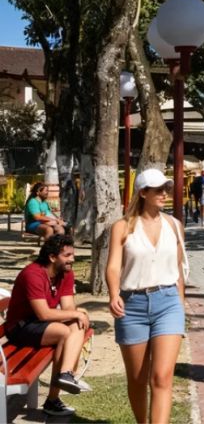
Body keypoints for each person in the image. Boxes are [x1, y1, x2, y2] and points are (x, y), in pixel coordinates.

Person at [106, 169, 188, 424]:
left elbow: (178, 272)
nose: (164, 193)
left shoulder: (175, 226)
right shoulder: (122, 227)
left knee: (162, 377)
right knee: (138, 379)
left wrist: (181, 304)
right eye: (158, 189)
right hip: (132, 305)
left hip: (168, 303)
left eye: (166, 188)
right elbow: (112, 267)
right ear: (143, 193)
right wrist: (112, 294)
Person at [6, 235, 92, 416]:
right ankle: (55, 396)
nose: (72, 259)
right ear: (52, 257)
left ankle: (65, 376)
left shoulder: (66, 273)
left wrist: (76, 315)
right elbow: (43, 313)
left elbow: (68, 306)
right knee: (64, 331)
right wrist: (76, 313)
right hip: (20, 327)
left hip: (40, 324)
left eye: (72, 254)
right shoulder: (33, 274)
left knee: (76, 325)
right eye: (67, 255)